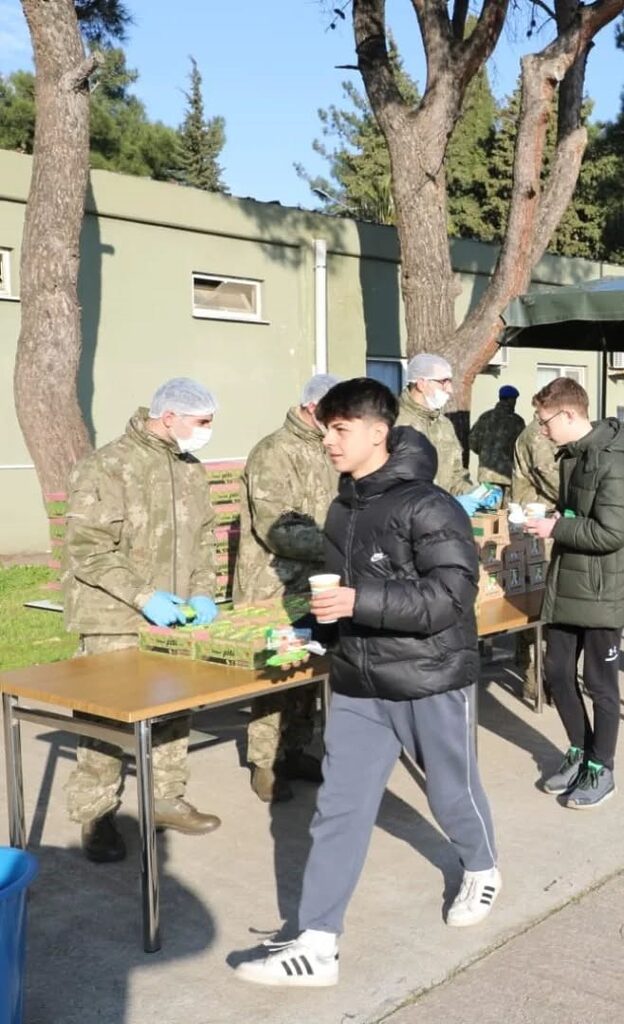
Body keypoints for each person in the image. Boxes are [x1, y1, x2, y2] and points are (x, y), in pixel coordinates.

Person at [235, 378, 500, 988]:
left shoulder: (429, 506)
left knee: (450, 792)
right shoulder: (343, 505)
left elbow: (451, 597)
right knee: (339, 809)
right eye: (326, 428)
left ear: (378, 433)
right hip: (357, 680)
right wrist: (309, 633)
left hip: (428, 676)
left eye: (339, 429)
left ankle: (482, 868)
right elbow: (340, 598)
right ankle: (318, 943)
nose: (328, 440)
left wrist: (362, 598)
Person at [63, 377, 222, 863]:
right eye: (202, 422)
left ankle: (166, 799)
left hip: (172, 617)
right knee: (106, 718)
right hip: (113, 615)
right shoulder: (107, 466)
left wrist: (202, 590)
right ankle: (98, 814)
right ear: (169, 416)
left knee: (175, 707)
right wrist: (145, 596)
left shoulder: (189, 470)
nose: (208, 431)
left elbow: (204, 538)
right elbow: (87, 549)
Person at [525, 377, 624, 809]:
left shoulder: (614, 461)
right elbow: (585, 514)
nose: (542, 430)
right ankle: (580, 749)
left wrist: (557, 527)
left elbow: (612, 531)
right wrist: (561, 515)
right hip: (569, 581)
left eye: (545, 421)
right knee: (556, 673)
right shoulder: (574, 458)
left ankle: (602, 766)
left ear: (570, 414)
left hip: (602, 589)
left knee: (599, 684)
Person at [234, 372, 340, 803]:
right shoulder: (273, 453)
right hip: (274, 585)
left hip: (318, 581)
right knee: (275, 674)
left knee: (309, 670)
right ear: (313, 409)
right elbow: (278, 529)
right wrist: (339, 544)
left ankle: (296, 748)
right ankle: (265, 762)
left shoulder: (327, 449)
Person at [510, 400, 560, 703]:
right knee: (536, 603)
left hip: (540, 523)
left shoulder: (540, 434)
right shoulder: (537, 436)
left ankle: (532, 669)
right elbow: (553, 479)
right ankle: (532, 675)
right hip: (535, 526)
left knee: (537, 601)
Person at [395, 352, 478, 508]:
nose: (450, 389)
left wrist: (475, 493)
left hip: (442, 519)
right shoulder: (394, 422)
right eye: (443, 382)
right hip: (406, 522)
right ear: (421, 383)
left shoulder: (444, 425)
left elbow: (456, 477)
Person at [468, 384, 526, 503]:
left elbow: (472, 441)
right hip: (507, 475)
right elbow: (522, 448)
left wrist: (485, 454)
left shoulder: (485, 417)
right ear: (511, 400)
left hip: (486, 474)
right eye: (514, 400)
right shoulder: (517, 421)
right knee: (505, 515)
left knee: (487, 511)